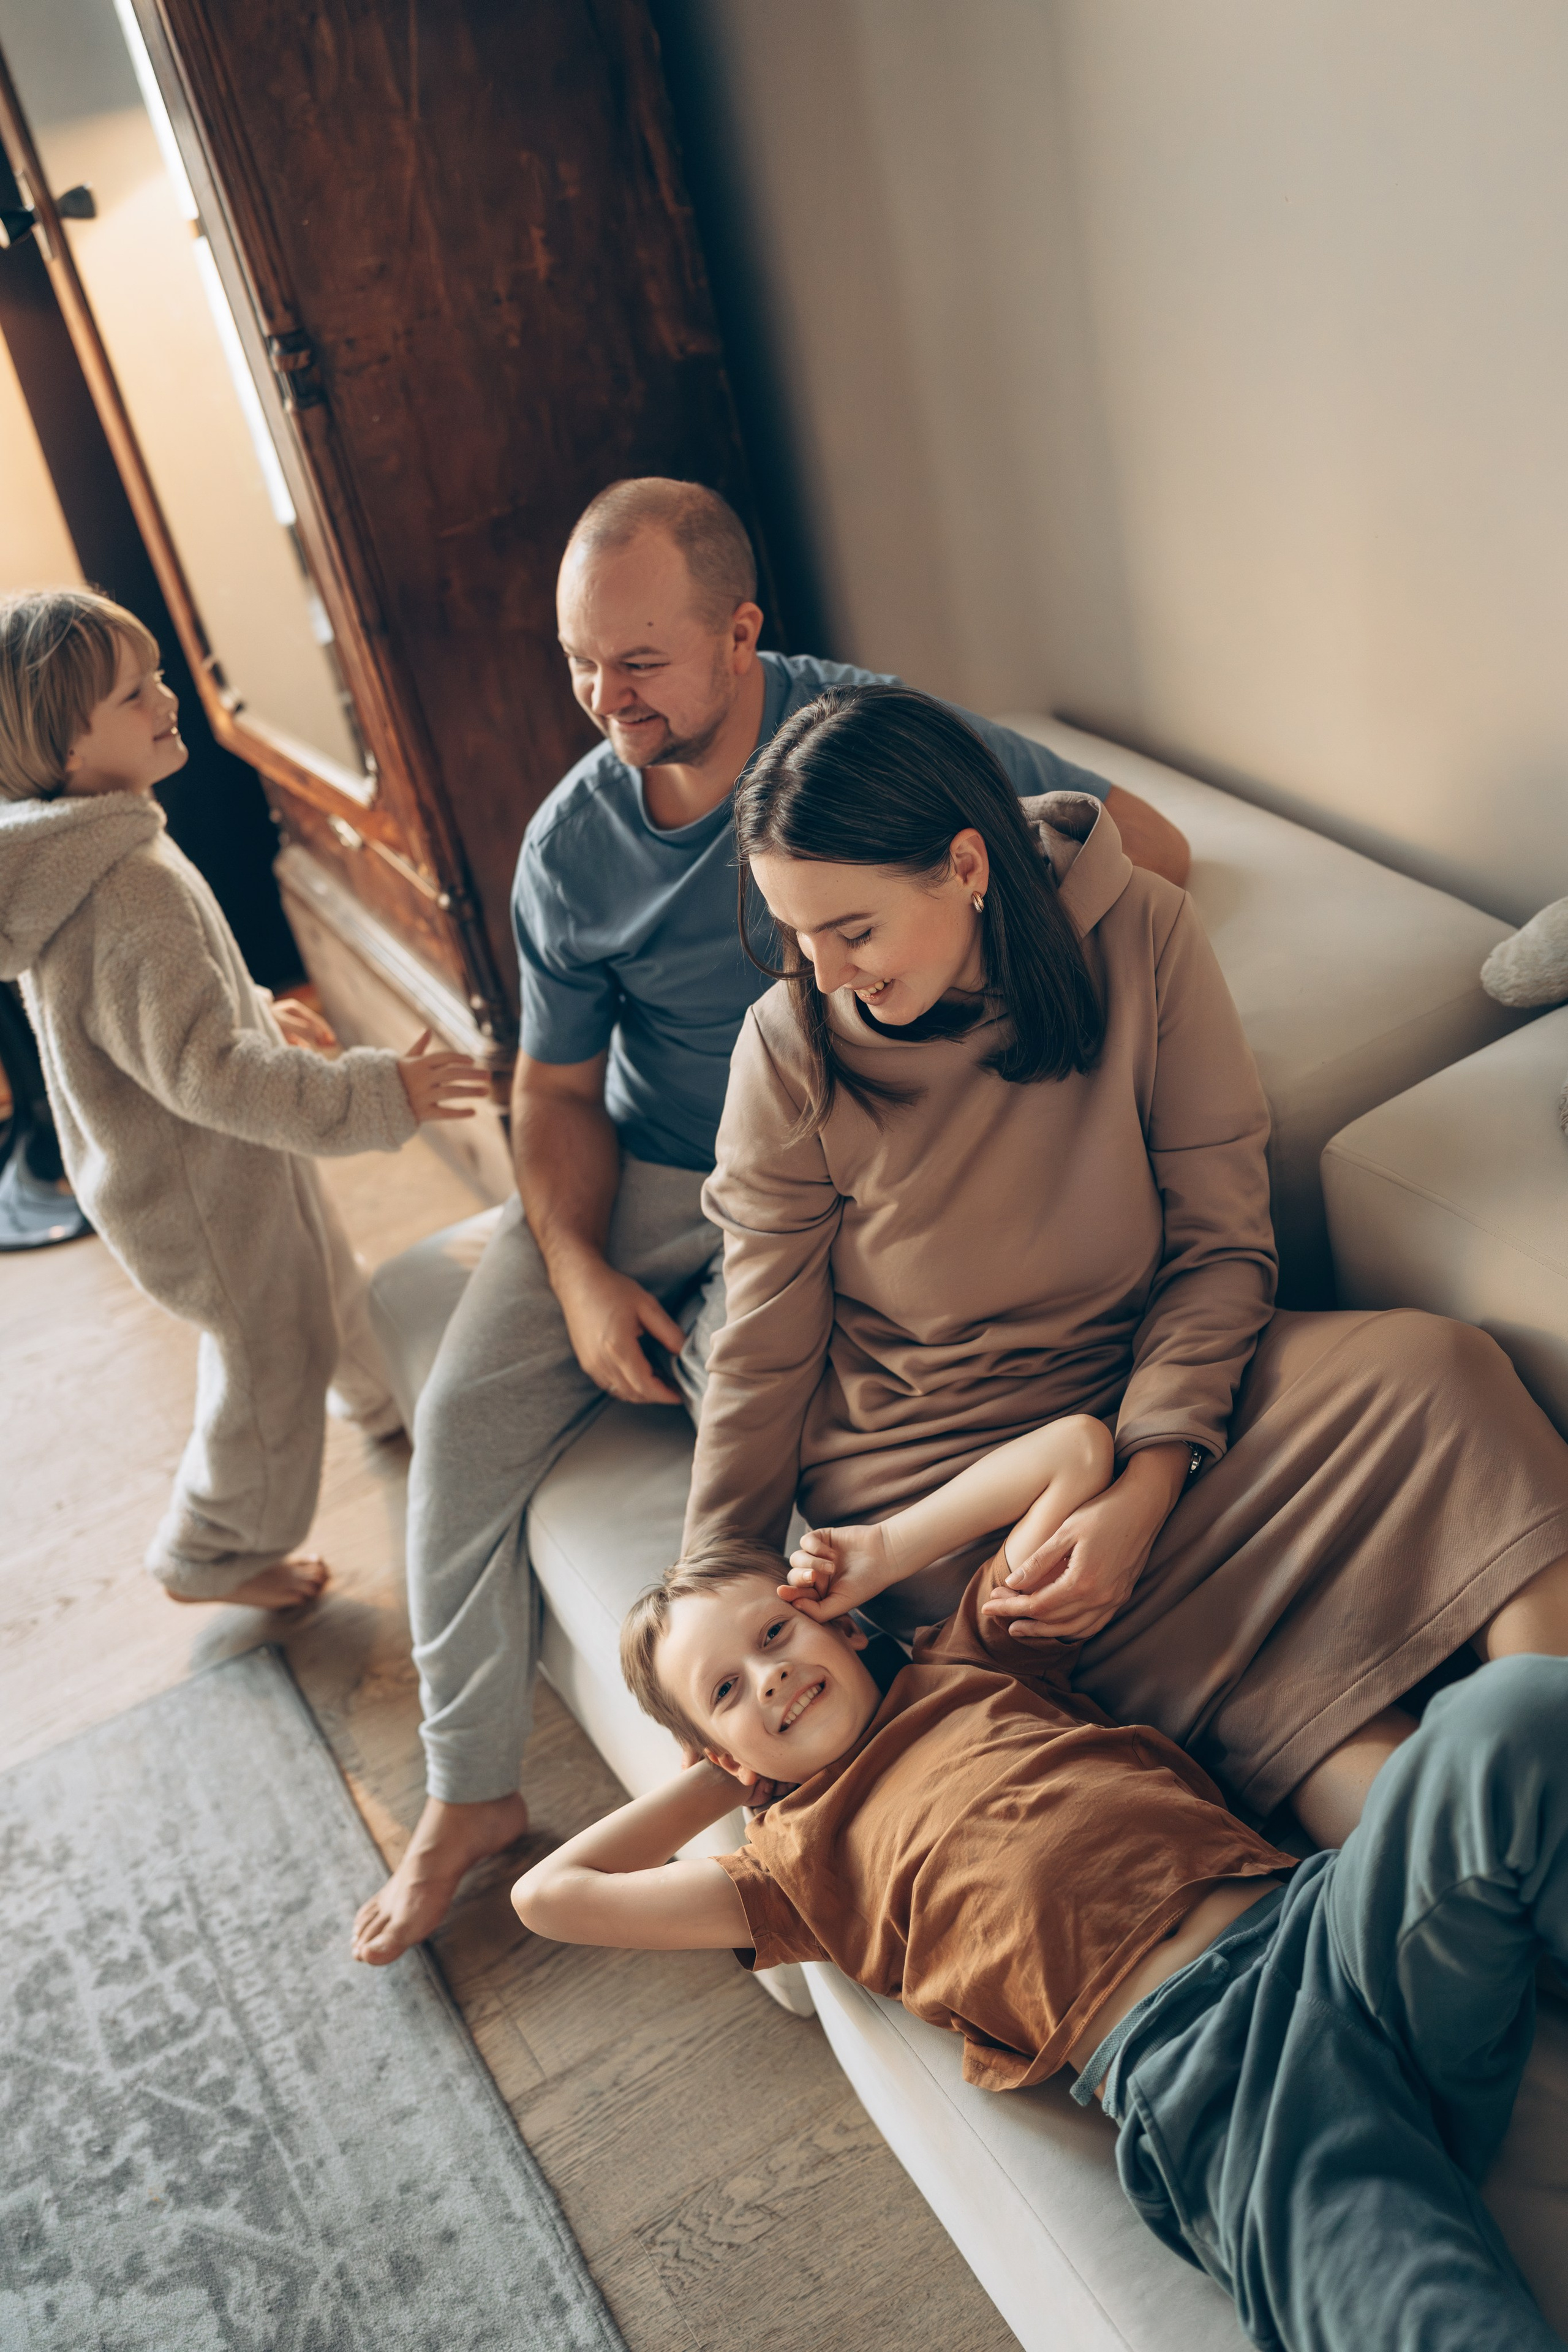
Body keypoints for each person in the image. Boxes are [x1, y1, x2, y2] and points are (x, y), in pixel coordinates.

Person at [352, 475, 1190, 1962]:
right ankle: (465, 1796)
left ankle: (857, 1801)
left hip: (814, 1175)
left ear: (742, 634)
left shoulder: (863, 744)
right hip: (644, 1167)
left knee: (807, 1447)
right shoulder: (569, 845)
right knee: (462, 1427)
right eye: (576, 664)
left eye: (639, 661)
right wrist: (578, 1267)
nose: (603, 700)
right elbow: (547, 1093)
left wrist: (960, 1065)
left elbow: (1145, 851)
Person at [682, 680, 1568, 1849]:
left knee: (1440, 1373)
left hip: (1169, 1398)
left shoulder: (1139, 931)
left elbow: (1221, 1240)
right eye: (799, 935)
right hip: (955, 1493)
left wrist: (1150, 1480)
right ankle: (1455, 1852)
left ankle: (1535, 1757)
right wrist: (712, 1586)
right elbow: (762, 1345)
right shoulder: (792, 1050)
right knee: (1188, 1654)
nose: (828, 972)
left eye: (853, 930)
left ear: (964, 866)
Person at [513, 1436, 1568, 2352]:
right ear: (719, 1755)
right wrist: (729, 1765)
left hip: (1330, 1930)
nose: (771, 1675)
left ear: (831, 1620)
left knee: (1510, 1714)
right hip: (1214, 2071)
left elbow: (1072, 1455)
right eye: (729, 1688)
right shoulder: (789, 1870)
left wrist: (879, 1557)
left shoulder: (966, 1659)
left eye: (775, 1634)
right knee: (1424, 2320)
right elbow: (553, 1896)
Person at [0, 587, 488, 1608]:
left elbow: (150, 1015)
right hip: (193, 1188)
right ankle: (212, 1550)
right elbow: (207, 1072)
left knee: (320, 1273)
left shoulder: (89, 848)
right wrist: (377, 1092)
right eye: (135, 694)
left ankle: (382, 1396)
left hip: (201, 1163)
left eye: (155, 676)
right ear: (65, 748)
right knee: (271, 1352)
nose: (166, 697)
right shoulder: (125, 881)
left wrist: (260, 1010)